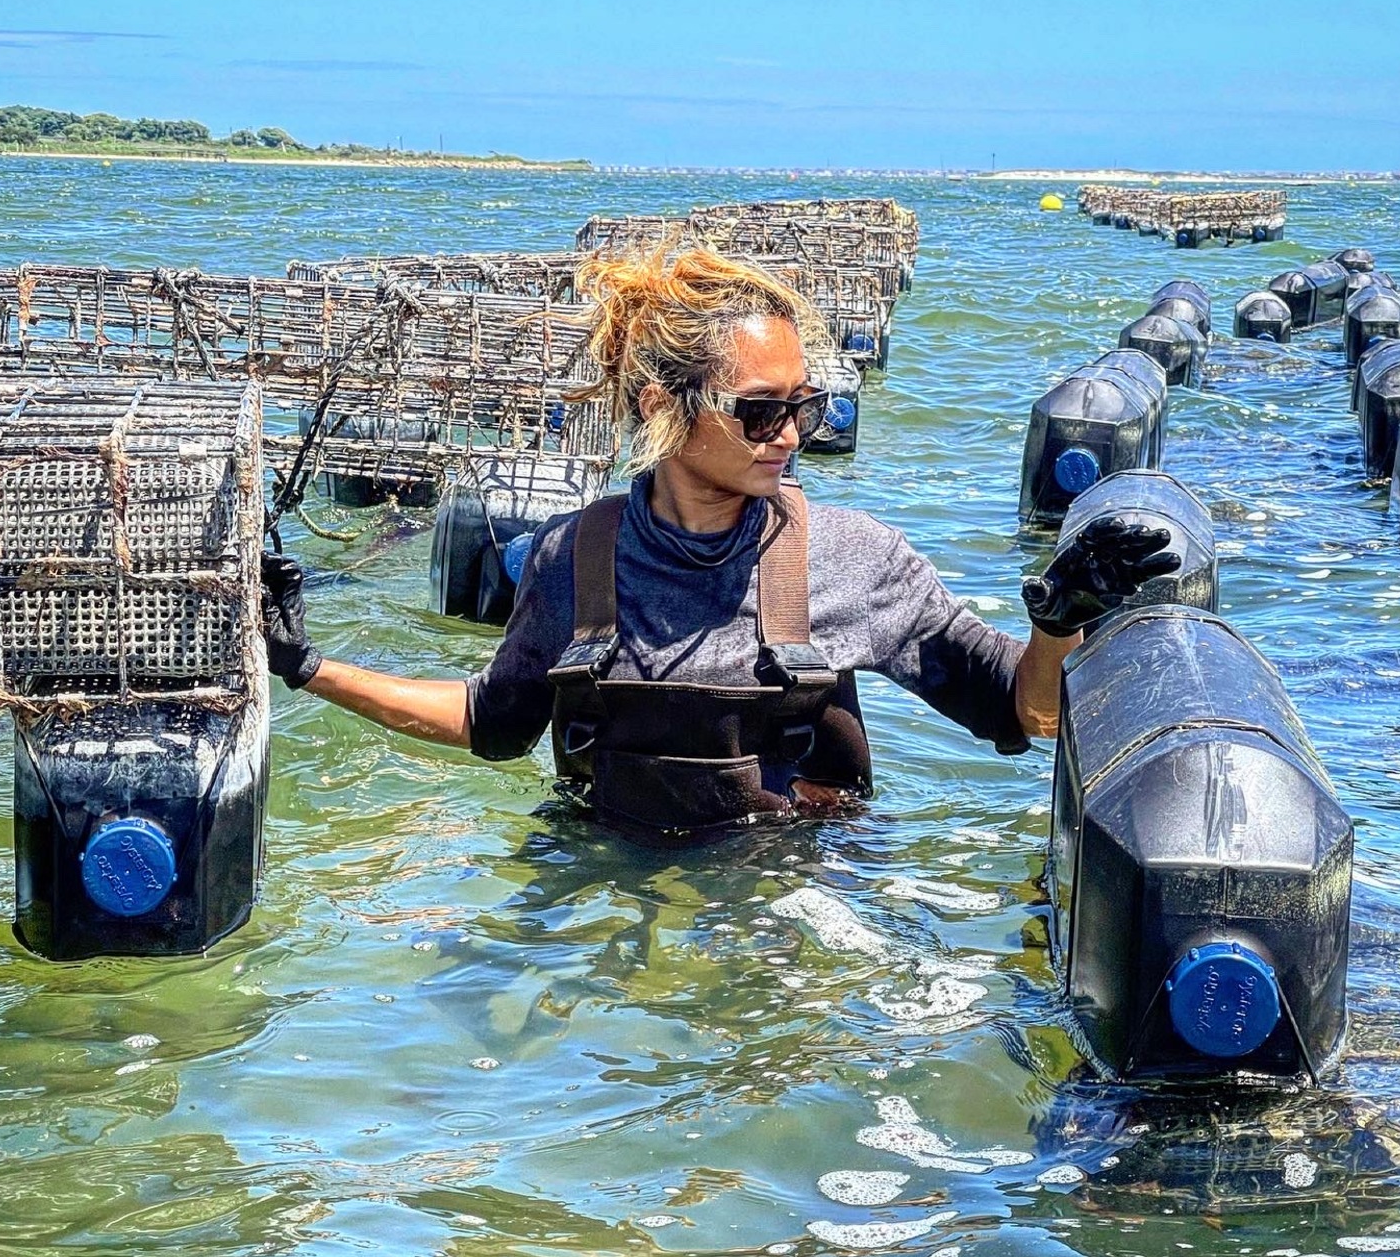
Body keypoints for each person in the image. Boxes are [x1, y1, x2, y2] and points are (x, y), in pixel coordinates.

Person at [262, 248, 1176, 840]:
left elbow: (1026, 714)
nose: (791, 434)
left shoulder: (859, 557)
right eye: (761, 410)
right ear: (665, 404)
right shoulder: (570, 559)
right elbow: (490, 724)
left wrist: (1060, 624)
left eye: (803, 407)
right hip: (605, 895)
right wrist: (307, 668)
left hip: (790, 904)